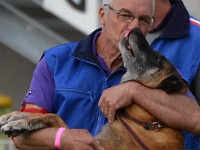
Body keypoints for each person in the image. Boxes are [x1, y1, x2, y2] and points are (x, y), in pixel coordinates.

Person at [12, 0, 199, 150]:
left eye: (144, 20)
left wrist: (134, 91)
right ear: (103, 15)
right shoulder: (56, 60)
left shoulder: (154, 70)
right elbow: (20, 136)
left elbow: (195, 120)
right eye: (125, 15)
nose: (134, 26)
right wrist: (63, 138)